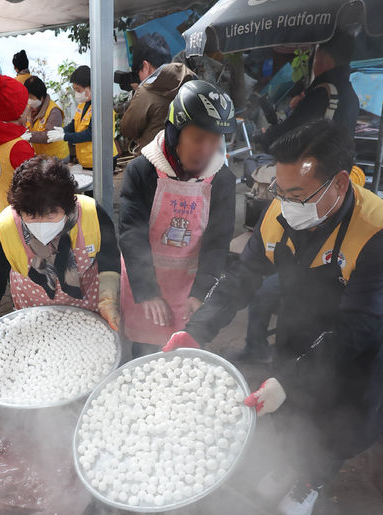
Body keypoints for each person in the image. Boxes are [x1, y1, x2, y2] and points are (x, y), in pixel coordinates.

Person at [164, 120, 383, 515]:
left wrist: (289, 380)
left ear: (340, 184)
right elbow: (243, 276)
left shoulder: (381, 232)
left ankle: (312, 478)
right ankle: (292, 458)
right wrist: (198, 329)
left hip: (357, 340)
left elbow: (358, 326)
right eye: (279, 190)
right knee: (289, 406)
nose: (284, 202)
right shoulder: (279, 212)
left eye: (296, 194)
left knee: (336, 417)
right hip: (300, 321)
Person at [238, 31, 362, 362]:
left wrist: (269, 135)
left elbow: (288, 140)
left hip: (314, 197)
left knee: (276, 289)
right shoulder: (348, 95)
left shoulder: (322, 93)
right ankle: (267, 351)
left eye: (315, 53)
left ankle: (261, 351)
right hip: (325, 196)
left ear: (324, 56)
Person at [119, 79, 237, 356]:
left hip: (189, 283)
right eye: (197, 139)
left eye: (214, 141)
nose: (206, 150)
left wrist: (200, 292)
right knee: (143, 353)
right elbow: (131, 233)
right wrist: (147, 291)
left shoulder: (222, 180)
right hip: (143, 279)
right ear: (175, 132)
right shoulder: (142, 171)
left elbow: (217, 242)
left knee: (183, 354)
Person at [0, 156, 121, 362]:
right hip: (35, 319)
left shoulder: (91, 214)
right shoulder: (6, 228)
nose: (42, 223)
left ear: (68, 206)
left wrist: (108, 300)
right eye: (31, 216)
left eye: (51, 214)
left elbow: (110, 261)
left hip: (88, 311)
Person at [258, 32, 360, 152]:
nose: (314, 63)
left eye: (316, 58)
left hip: (315, 168)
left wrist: (267, 136)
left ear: (326, 60)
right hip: (339, 165)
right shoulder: (351, 96)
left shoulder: (322, 94)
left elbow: (291, 131)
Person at [119, 37, 195, 151]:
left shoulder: (145, 93)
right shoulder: (189, 82)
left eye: (138, 72)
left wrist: (137, 94)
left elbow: (128, 129)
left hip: (155, 161)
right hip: (185, 157)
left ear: (146, 66)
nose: (139, 77)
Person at [0, 72, 35, 213]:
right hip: (23, 216)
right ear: (18, 112)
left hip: (4, 210)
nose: (29, 107)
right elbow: (36, 188)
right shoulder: (19, 146)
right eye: (25, 104)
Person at [48, 65, 118, 171]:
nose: (76, 93)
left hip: (102, 158)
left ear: (91, 86)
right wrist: (63, 130)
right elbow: (75, 123)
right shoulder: (83, 103)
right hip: (88, 160)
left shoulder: (102, 106)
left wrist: (65, 136)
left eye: (78, 90)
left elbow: (91, 134)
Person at [24, 76, 68, 160]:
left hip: (57, 157)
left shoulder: (54, 111)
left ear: (41, 97)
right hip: (42, 157)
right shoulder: (32, 108)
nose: (28, 101)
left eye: (31, 97)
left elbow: (48, 136)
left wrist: (29, 136)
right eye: (27, 97)